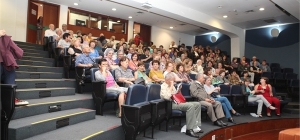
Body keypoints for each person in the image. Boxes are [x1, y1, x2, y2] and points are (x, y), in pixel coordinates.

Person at [160, 73, 203, 138]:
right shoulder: (163, 86)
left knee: (197, 104)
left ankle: (195, 126)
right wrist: (171, 86)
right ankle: (189, 129)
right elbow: (167, 97)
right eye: (172, 80)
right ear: (167, 80)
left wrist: (178, 91)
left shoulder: (172, 85)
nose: (174, 82)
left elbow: (175, 95)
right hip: (170, 104)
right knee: (190, 106)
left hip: (177, 102)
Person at [0, 30, 29, 106]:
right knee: (10, 84)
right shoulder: (4, 37)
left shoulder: (4, 37)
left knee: (10, 83)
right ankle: (11, 99)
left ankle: (11, 99)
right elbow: (19, 52)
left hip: (6, 62)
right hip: (8, 62)